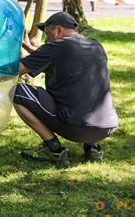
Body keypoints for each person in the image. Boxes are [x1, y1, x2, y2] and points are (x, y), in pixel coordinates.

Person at [13, 12, 118, 166]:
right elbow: (60, 59)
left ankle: (54, 149)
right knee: (86, 88)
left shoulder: (54, 48)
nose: (47, 39)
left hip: (76, 127)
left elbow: (15, 70)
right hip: (107, 126)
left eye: (48, 34)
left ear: (58, 30)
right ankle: (92, 147)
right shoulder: (95, 45)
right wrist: (29, 48)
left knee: (16, 91)